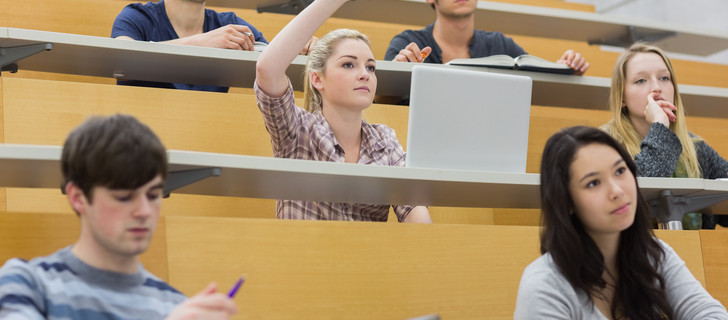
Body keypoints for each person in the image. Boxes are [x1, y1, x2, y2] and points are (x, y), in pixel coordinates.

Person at [0, 114, 237, 319]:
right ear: (78, 197)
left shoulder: (175, 305)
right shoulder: (27, 283)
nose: (144, 211)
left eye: (153, 195)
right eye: (124, 197)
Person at [514, 126, 728, 319]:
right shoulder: (544, 284)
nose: (617, 191)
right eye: (593, 183)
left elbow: (707, 312)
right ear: (566, 201)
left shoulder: (653, 254)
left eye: (620, 171)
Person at [254, 0, 432, 223]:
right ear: (317, 79)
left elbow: (416, 215)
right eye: (349, 64)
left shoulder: (385, 140)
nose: (364, 74)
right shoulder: (298, 129)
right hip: (302, 256)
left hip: (365, 257)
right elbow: (267, 69)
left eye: (370, 67)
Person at [601, 42, 728, 230]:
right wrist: (659, 126)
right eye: (641, 81)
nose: (656, 87)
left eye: (664, 78)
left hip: (694, 253)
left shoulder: (694, 147)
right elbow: (634, 196)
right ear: (621, 97)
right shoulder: (604, 145)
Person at [384, 0, 589, 74]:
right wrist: (399, 69)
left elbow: (537, 75)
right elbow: (383, 98)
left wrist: (565, 67)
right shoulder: (407, 43)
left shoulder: (500, 45)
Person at [112, 0, 271, 92]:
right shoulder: (136, 16)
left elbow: (274, 60)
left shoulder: (229, 25)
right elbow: (121, 61)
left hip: (209, 136)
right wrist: (199, 42)